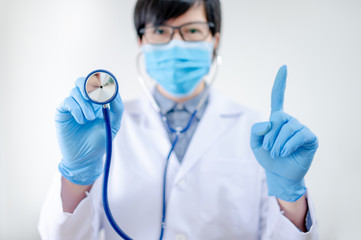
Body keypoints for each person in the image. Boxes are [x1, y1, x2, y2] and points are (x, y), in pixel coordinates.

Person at [38, 0, 319, 239]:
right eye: (160, 30)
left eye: (192, 30)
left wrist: (291, 196)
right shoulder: (104, 128)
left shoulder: (258, 131)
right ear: (141, 41)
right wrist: (77, 174)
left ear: (215, 40)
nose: (175, 43)